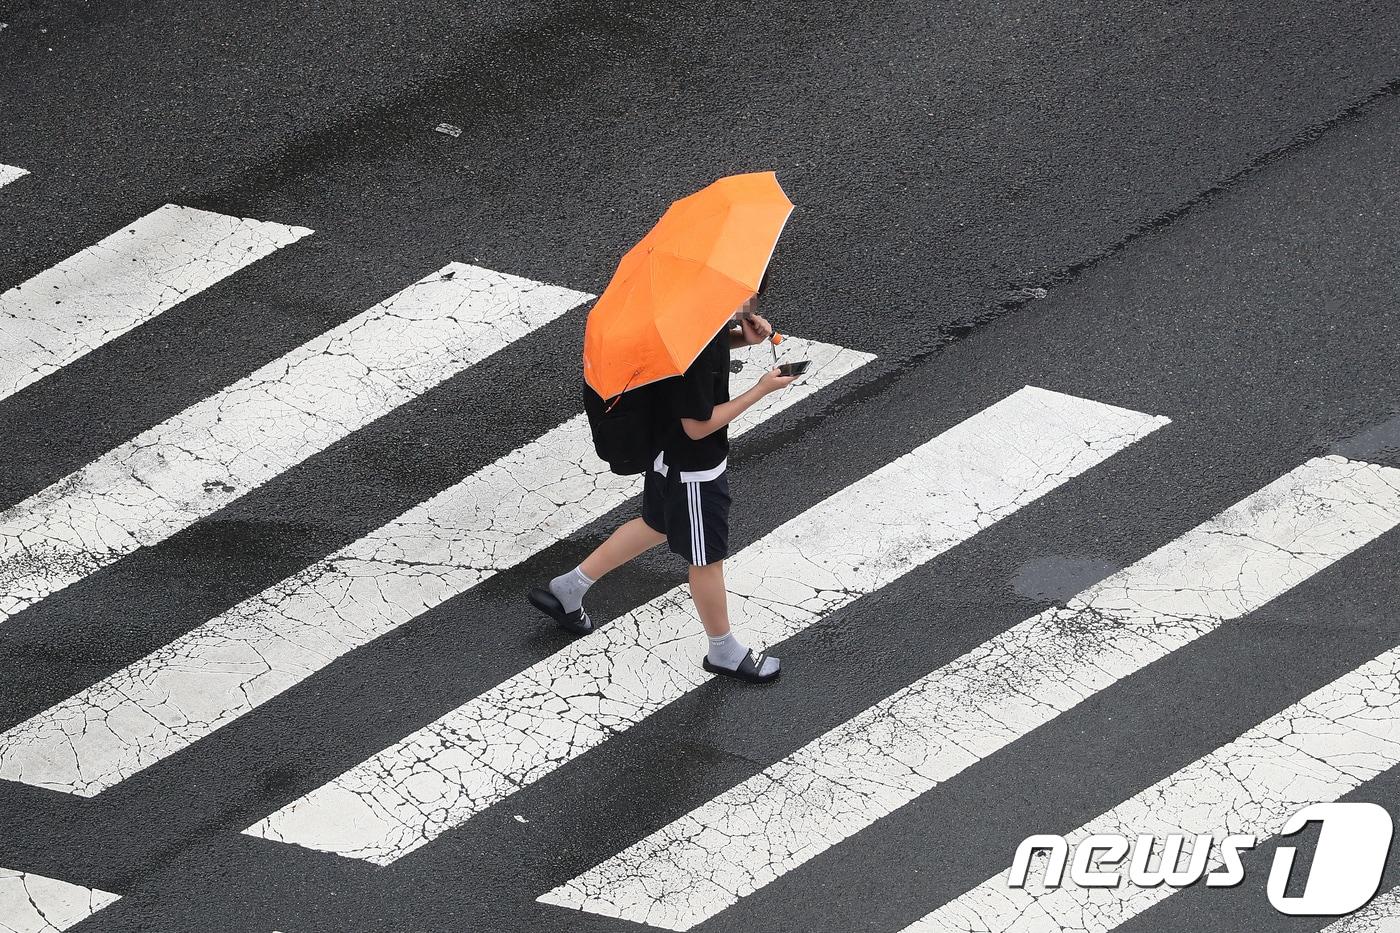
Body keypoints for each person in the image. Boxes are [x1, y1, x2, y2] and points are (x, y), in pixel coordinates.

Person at [528, 295, 796, 683]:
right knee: (707, 561)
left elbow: (691, 367)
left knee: (656, 524)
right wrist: (761, 389)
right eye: (749, 296)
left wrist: (739, 338)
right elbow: (698, 425)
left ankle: (570, 587)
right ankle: (723, 650)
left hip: (666, 458)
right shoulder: (697, 345)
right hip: (695, 470)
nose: (753, 301)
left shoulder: (684, 322)